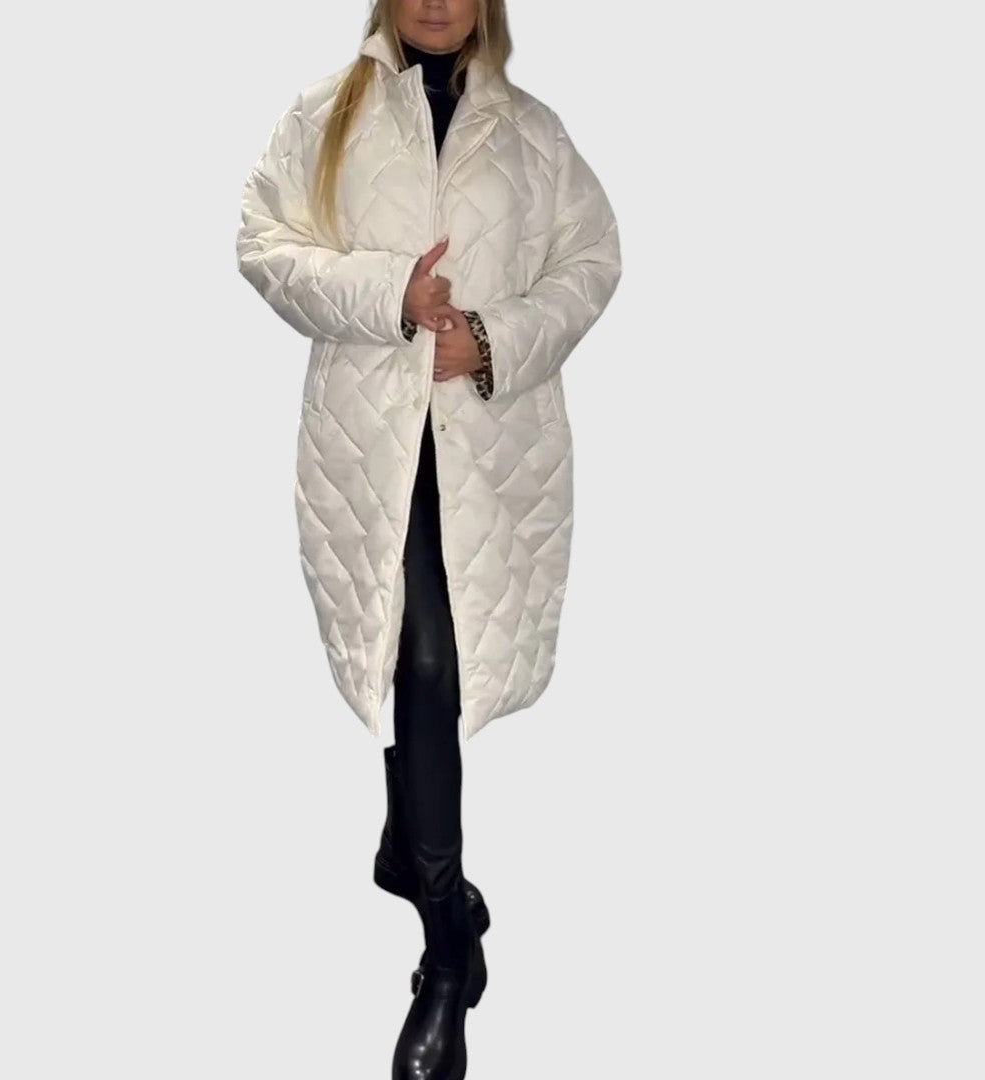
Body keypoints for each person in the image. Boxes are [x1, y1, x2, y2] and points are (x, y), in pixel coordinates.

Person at [236, 2, 620, 1076]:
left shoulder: (533, 134)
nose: (437, 1)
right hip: (372, 447)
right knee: (412, 661)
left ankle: (411, 859)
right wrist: (390, 296)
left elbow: (592, 261)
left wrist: (490, 339)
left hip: (487, 453)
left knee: (432, 669)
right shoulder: (327, 116)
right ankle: (450, 940)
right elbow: (262, 241)